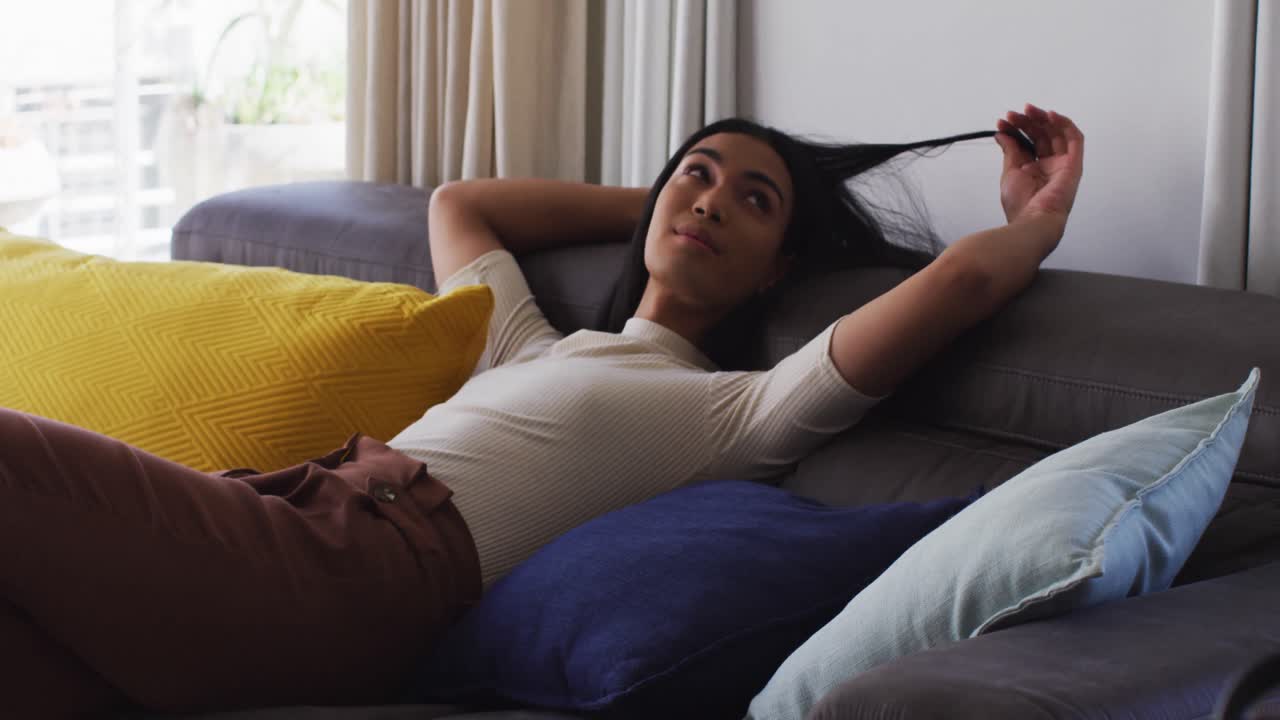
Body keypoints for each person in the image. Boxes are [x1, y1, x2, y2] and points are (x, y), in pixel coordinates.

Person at [0, 103, 1084, 715]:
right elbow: (459, 204)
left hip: (358, 570)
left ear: (777, 268)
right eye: (697, 177)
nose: (708, 199)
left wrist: (1032, 220)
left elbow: (957, 286)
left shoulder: (735, 411)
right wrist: (661, 200)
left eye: (750, 201)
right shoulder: (530, 341)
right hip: (287, 515)